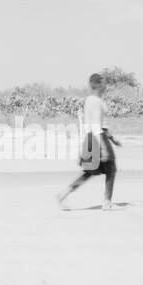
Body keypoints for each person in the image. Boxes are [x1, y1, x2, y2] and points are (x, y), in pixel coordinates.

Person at [57, 73, 120, 209]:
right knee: (111, 169)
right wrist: (103, 147)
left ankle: (64, 193)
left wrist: (112, 139)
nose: (105, 85)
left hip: (90, 138)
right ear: (97, 85)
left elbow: (98, 124)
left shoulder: (90, 100)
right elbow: (97, 125)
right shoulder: (96, 102)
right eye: (103, 83)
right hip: (98, 137)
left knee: (89, 172)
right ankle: (107, 202)